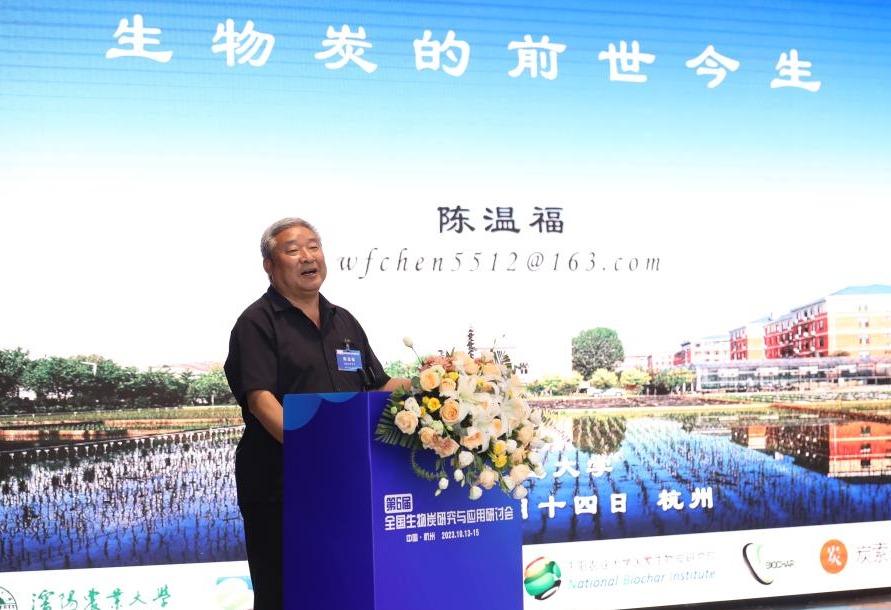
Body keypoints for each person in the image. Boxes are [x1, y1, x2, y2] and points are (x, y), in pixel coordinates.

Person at [224, 217, 409, 610]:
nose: (307, 256)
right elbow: (260, 399)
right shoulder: (256, 322)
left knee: (340, 589)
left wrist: (433, 383)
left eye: (314, 246)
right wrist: (309, 451)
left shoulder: (344, 321)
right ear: (270, 266)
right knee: (285, 595)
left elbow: (376, 386)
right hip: (281, 486)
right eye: (293, 250)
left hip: (343, 484)